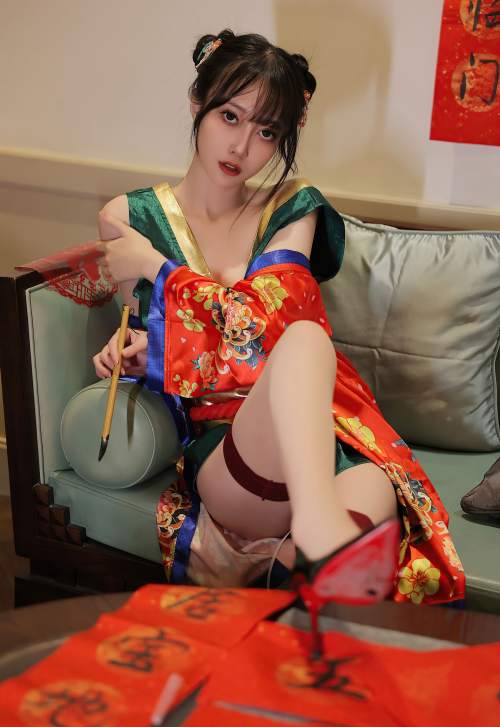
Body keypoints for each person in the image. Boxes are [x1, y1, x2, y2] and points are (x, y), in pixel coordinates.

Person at [93, 30, 465, 648]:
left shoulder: (294, 206)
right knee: (309, 342)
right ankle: (313, 545)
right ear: (197, 103)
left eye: (267, 131)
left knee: (375, 493)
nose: (242, 146)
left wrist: (159, 270)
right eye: (229, 116)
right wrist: (130, 352)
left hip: (329, 437)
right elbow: (172, 341)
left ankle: (292, 597)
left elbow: (261, 327)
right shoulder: (129, 218)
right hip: (233, 452)